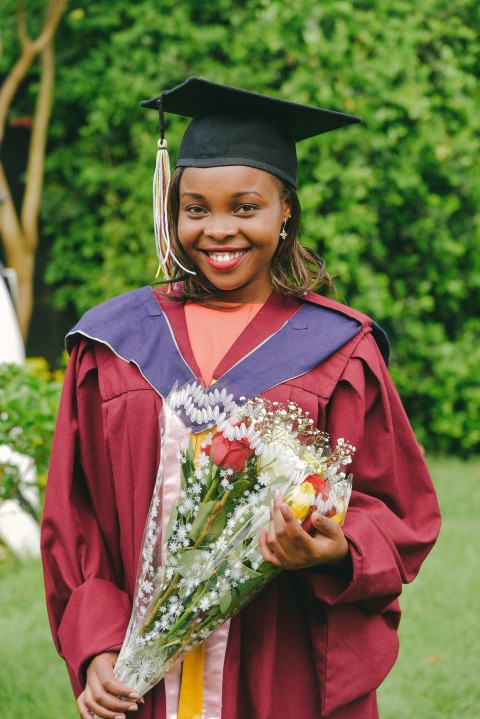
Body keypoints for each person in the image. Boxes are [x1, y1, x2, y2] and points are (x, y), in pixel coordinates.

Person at [41, 77, 441, 719]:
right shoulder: (113, 344)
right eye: (195, 208)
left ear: (286, 210)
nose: (217, 229)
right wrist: (95, 645)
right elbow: (75, 516)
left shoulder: (339, 350)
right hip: (139, 679)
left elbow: (398, 509)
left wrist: (335, 548)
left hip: (278, 663)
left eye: (245, 207)